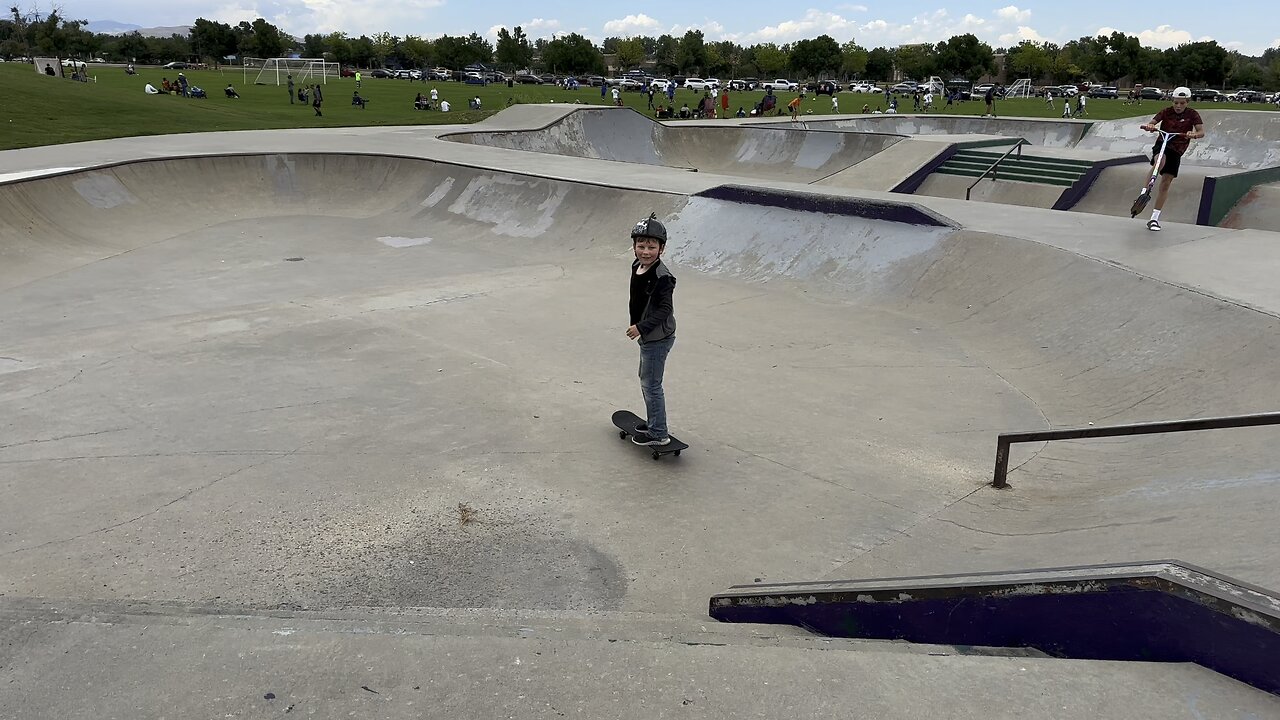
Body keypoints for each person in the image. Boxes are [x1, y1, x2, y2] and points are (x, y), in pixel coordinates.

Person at [625, 213, 677, 447]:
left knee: (652, 385)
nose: (646, 251)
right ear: (634, 247)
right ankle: (654, 420)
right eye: (641, 246)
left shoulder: (662, 277)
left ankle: (659, 433)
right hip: (647, 336)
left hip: (658, 337)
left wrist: (640, 327)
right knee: (646, 380)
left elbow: (665, 309)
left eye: (652, 247)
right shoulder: (637, 265)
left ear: (662, 248)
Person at [1138, 87, 1205, 231]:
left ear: (1187, 102)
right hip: (1162, 143)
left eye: (1182, 103)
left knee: (1166, 183)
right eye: (1176, 103)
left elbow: (1201, 132)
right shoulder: (1166, 111)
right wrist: (1151, 126)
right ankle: (1144, 191)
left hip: (1178, 149)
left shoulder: (1193, 114)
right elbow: (1153, 122)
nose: (1178, 106)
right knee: (1159, 161)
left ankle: (1154, 219)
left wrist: (1194, 134)